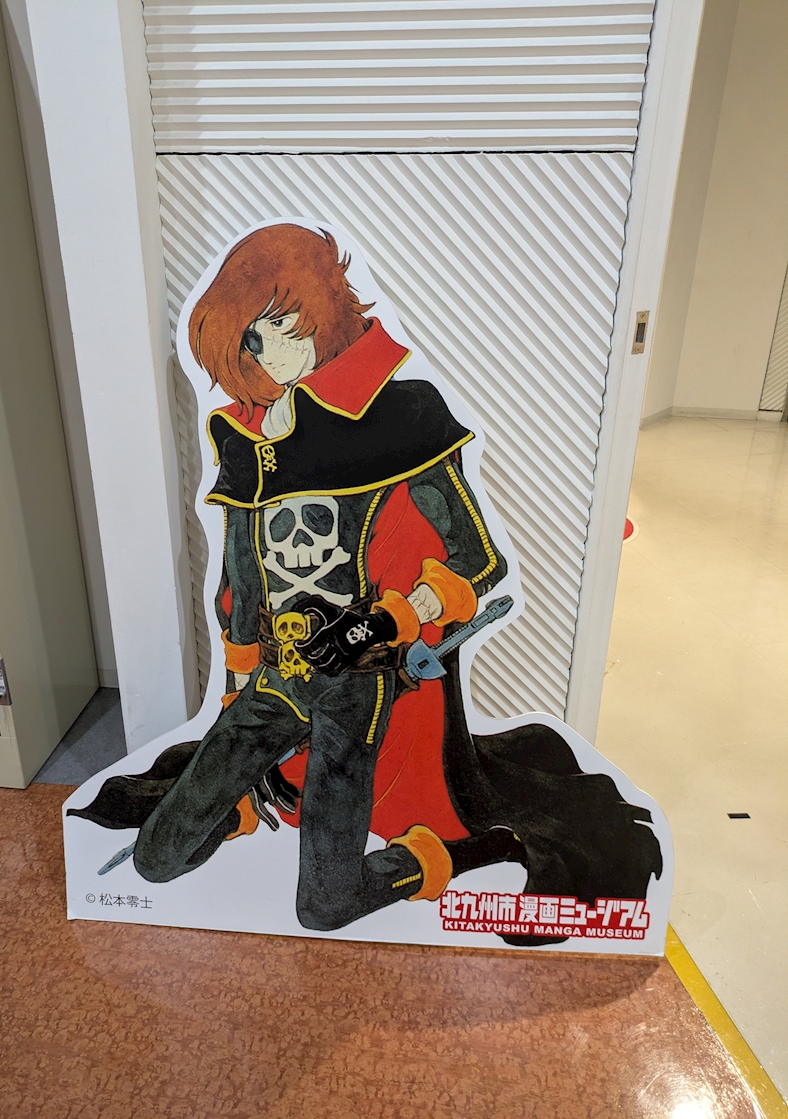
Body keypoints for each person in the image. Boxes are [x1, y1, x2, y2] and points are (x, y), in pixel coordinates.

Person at [71, 223, 663, 941]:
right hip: (275, 680)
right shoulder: (244, 436)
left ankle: (458, 854)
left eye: (280, 323)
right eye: (251, 338)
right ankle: (249, 803)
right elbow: (242, 581)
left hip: (360, 682)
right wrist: (233, 695)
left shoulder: (401, 416)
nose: (268, 350)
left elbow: (479, 559)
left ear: (323, 307)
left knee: (323, 906)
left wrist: (389, 619)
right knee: (156, 858)